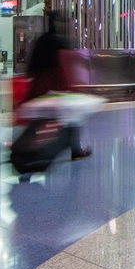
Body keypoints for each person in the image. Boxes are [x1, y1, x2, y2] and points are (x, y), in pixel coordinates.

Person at [22, 12, 92, 161]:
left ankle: (25, 149)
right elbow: (66, 66)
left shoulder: (41, 40)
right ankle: (76, 150)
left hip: (39, 88)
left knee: (38, 120)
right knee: (72, 117)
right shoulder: (59, 42)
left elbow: (31, 66)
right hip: (55, 90)